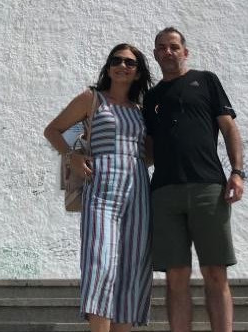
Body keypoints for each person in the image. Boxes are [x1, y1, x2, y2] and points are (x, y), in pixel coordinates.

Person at [44, 44, 153, 332]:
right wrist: (73, 156)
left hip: (138, 188)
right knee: (101, 264)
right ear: (108, 67)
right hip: (101, 185)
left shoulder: (141, 110)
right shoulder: (91, 99)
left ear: (138, 72)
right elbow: (53, 130)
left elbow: (150, 153)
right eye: (116, 60)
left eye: (130, 62)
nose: (122, 66)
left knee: (132, 266)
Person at [143, 28, 244, 332]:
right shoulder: (151, 97)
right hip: (164, 193)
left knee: (215, 272)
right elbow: (147, 150)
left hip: (208, 188)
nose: (167, 52)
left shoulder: (206, 80)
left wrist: (237, 172)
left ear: (185, 52)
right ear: (156, 54)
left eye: (174, 46)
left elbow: (229, 129)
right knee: (175, 278)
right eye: (161, 47)